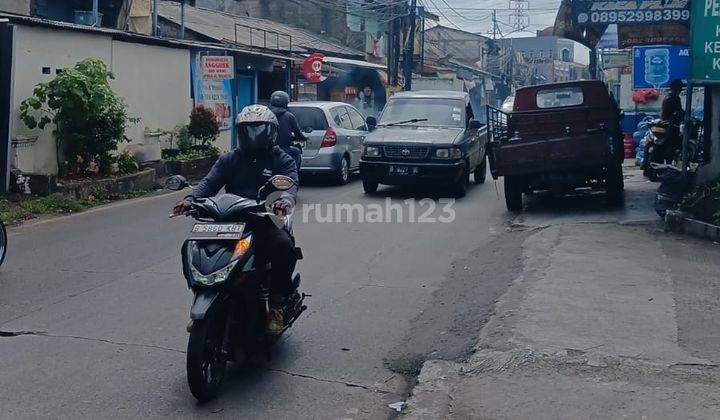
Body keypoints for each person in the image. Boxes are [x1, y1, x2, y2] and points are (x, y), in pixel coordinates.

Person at [173, 105, 299, 335]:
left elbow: (290, 183)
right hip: (228, 219)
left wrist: (285, 201)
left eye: (258, 131)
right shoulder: (230, 158)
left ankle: (277, 304)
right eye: (248, 131)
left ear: (270, 132)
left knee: (284, 246)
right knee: (192, 247)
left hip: (262, 219)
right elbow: (209, 183)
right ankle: (203, 296)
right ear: (240, 132)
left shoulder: (280, 158)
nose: (253, 136)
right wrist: (191, 199)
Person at [269, 91, 305, 172]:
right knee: (297, 152)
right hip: (284, 148)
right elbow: (298, 134)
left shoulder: (266, 114)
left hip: (268, 149)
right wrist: (304, 138)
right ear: (286, 102)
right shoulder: (289, 116)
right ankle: (293, 173)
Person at [660, 79, 685, 162]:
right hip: (671, 126)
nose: (681, 90)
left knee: (671, 145)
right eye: (680, 88)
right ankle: (670, 164)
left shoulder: (670, 97)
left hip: (670, 125)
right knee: (672, 146)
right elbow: (678, 112)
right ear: (676, 88)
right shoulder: (673, 98)